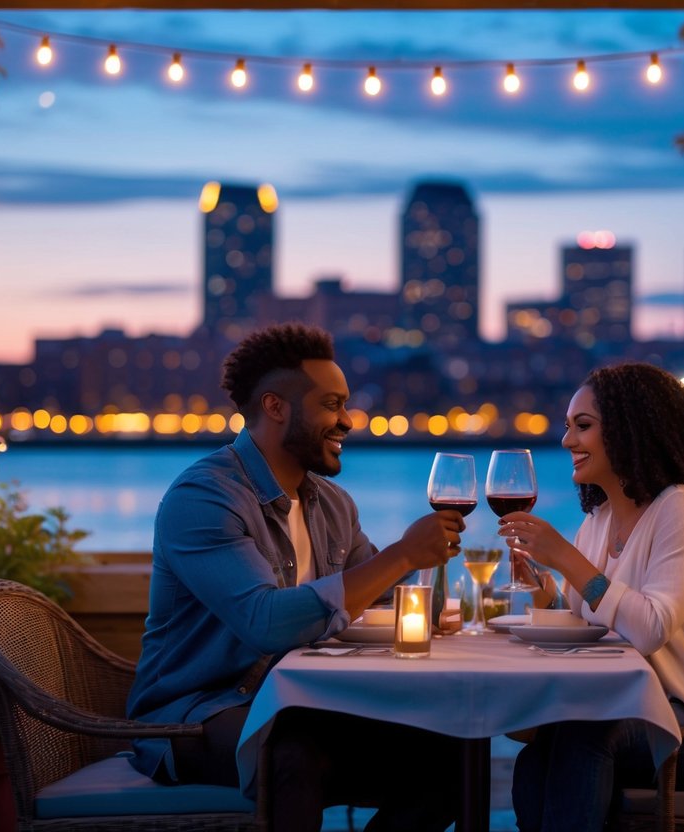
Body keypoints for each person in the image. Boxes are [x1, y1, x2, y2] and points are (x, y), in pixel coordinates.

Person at [126, 322, 465, 832]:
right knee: (292, 752)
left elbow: (391, 603)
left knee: (451, 758)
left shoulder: (331, 504)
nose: (348, 421)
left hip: (300, 704)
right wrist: (400, 555)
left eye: (346, 404)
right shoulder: (205, 497)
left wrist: (427, 566)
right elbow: (265, 623)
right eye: (331, 404)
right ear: (275, 407)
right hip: (195, 717)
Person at [499, 362, 684, 832]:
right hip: (634, 708)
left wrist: (565, 557)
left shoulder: (681, 508)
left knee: (582, 738)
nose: (567, 441)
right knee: (536, 754)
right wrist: (543, 587)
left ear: (631, 432)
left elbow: (649, 628)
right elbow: (589, 616)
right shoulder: (599, 521)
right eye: (568, 428)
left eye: (582, 427)